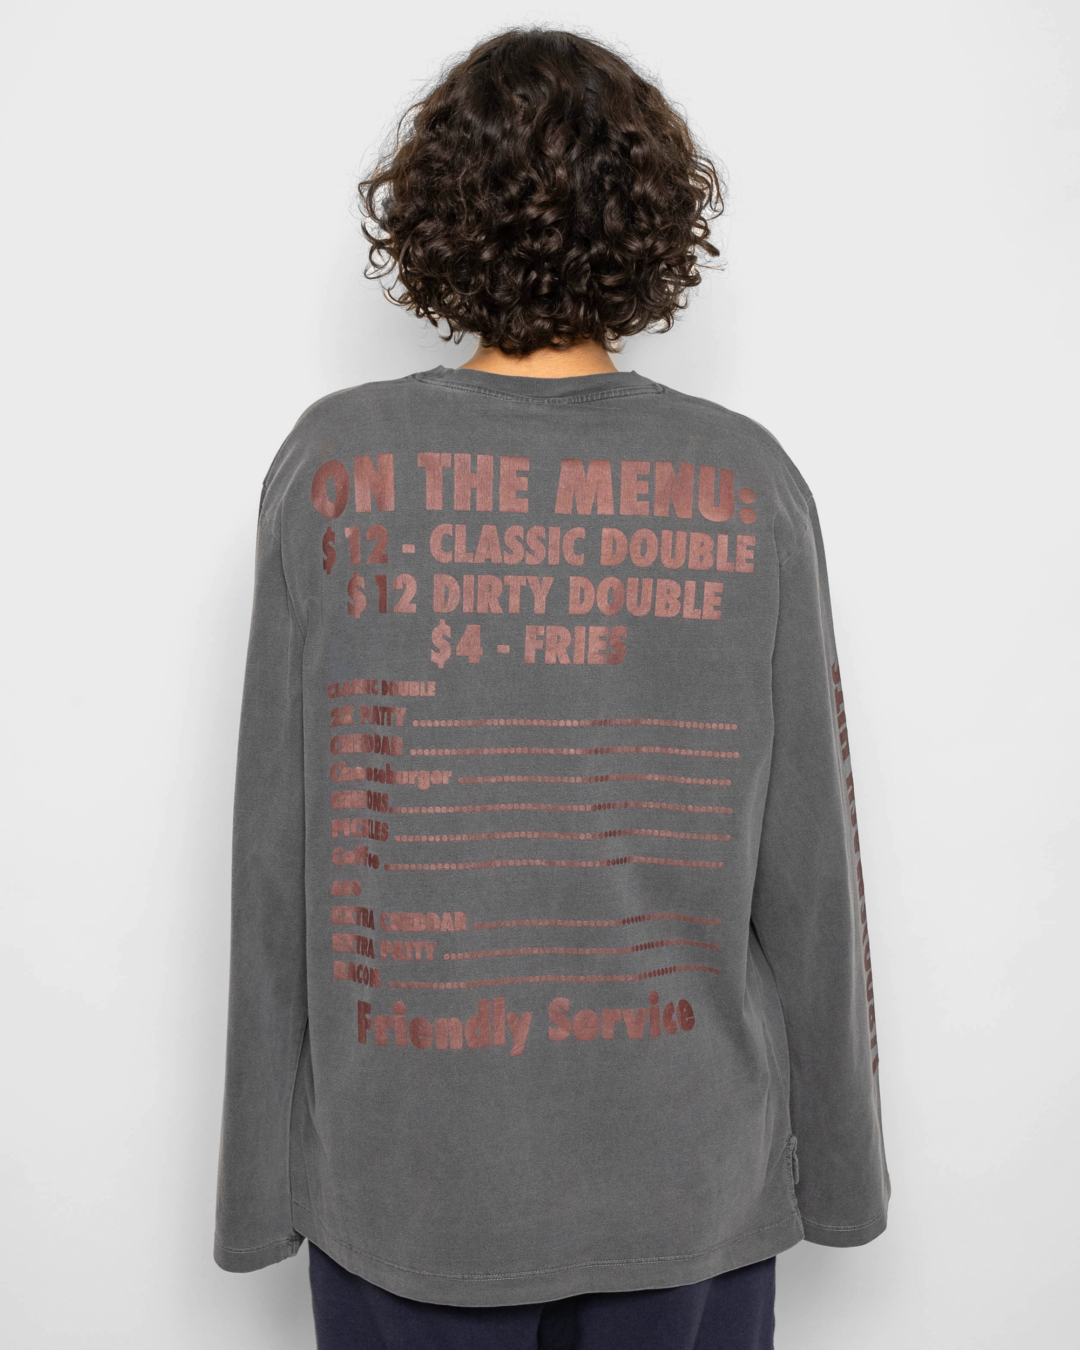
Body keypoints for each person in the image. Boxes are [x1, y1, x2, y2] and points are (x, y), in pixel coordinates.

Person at [213, 27, 889, 1350]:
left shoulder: (337, 466)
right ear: (649, 221)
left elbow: (272, 865)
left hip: (408, 1174)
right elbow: (816, 873)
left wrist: (258, 1192)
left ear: (437, 215)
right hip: (683, 1171)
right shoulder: (749, 482)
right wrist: (843, 1175)